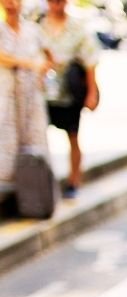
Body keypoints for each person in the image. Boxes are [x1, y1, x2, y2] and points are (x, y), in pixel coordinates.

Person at [40, 0, 98, 199]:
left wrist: (92, 92)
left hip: (70, 92)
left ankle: (74, 180)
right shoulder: (38, 25)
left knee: (72, 136)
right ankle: (43, 184)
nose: (56, 5)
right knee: (40, 138)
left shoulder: (77, 28)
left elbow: (90, 61)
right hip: (44, 92)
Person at [0, 0, 52, 188]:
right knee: (7, 142)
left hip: (31, 96)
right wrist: (29, 64)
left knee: (34, 142)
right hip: (6, 96)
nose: (11, 4)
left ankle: (34, 189)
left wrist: (42, 71)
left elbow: (49, 56)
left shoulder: (33, 30)